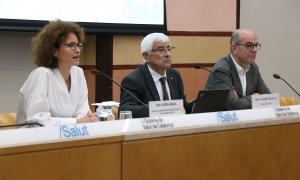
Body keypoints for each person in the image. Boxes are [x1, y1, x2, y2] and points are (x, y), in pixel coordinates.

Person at [16, 20, 96, 127]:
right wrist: (75, 122)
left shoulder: (78, 73)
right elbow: (37, 120)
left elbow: (82, 112)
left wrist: (90, 118)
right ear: (54, 51)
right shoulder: (42, 75)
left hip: (69, 136)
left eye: (78, 45)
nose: (77, 50)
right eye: (71, 45)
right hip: (33, 139)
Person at [119, 32, 193, 118]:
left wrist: (196, 105)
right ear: (146, 56)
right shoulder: (133, 80)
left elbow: (182, 105)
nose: (167, 54)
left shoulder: (174, 75)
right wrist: (163, 110)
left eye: (169, 48)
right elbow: (126, 109)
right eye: (161, 50)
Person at [205, 28, 271, 110]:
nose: (254, 50)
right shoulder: (221, 70)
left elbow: (269, 99)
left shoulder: (253, 68)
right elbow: (234, 106)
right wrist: (255, 99)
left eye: (256, 45)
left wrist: (243, 100)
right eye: (249, 46)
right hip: (217, 120)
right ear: (234, 49)